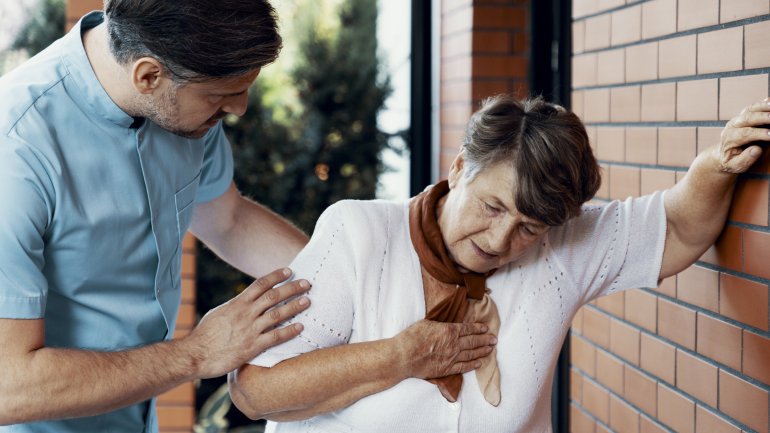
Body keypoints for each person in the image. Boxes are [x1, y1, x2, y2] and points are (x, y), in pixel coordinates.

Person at [0, 2, 495, 431]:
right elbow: (9, 387)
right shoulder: (17, 152)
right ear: (148, 75)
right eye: (221, 97)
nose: (238, 109)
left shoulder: (179, 102)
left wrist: (373, 296)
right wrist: (197, 354)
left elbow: (230, 221)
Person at [228, 94, 770, 432]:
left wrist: (717, 167)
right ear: (460, 166)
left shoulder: (560, 249)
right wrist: (398, 356)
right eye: (492, 207)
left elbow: (675, 226)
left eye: (529, 227)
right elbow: (254, 390)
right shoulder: (358, 235)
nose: (501, 238)